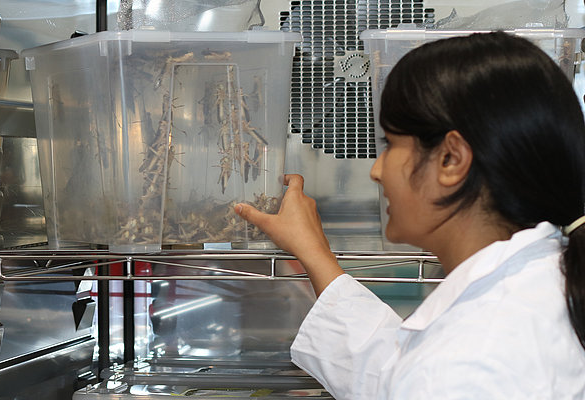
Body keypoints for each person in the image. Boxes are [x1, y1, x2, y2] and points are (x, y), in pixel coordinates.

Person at [235, 31, 585, 399]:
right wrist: (314, 254)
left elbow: (420, 377)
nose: (376, 170)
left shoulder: (470, 361)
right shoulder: (536, 285)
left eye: (391, 144)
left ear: (451, 160)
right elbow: (391, 373)